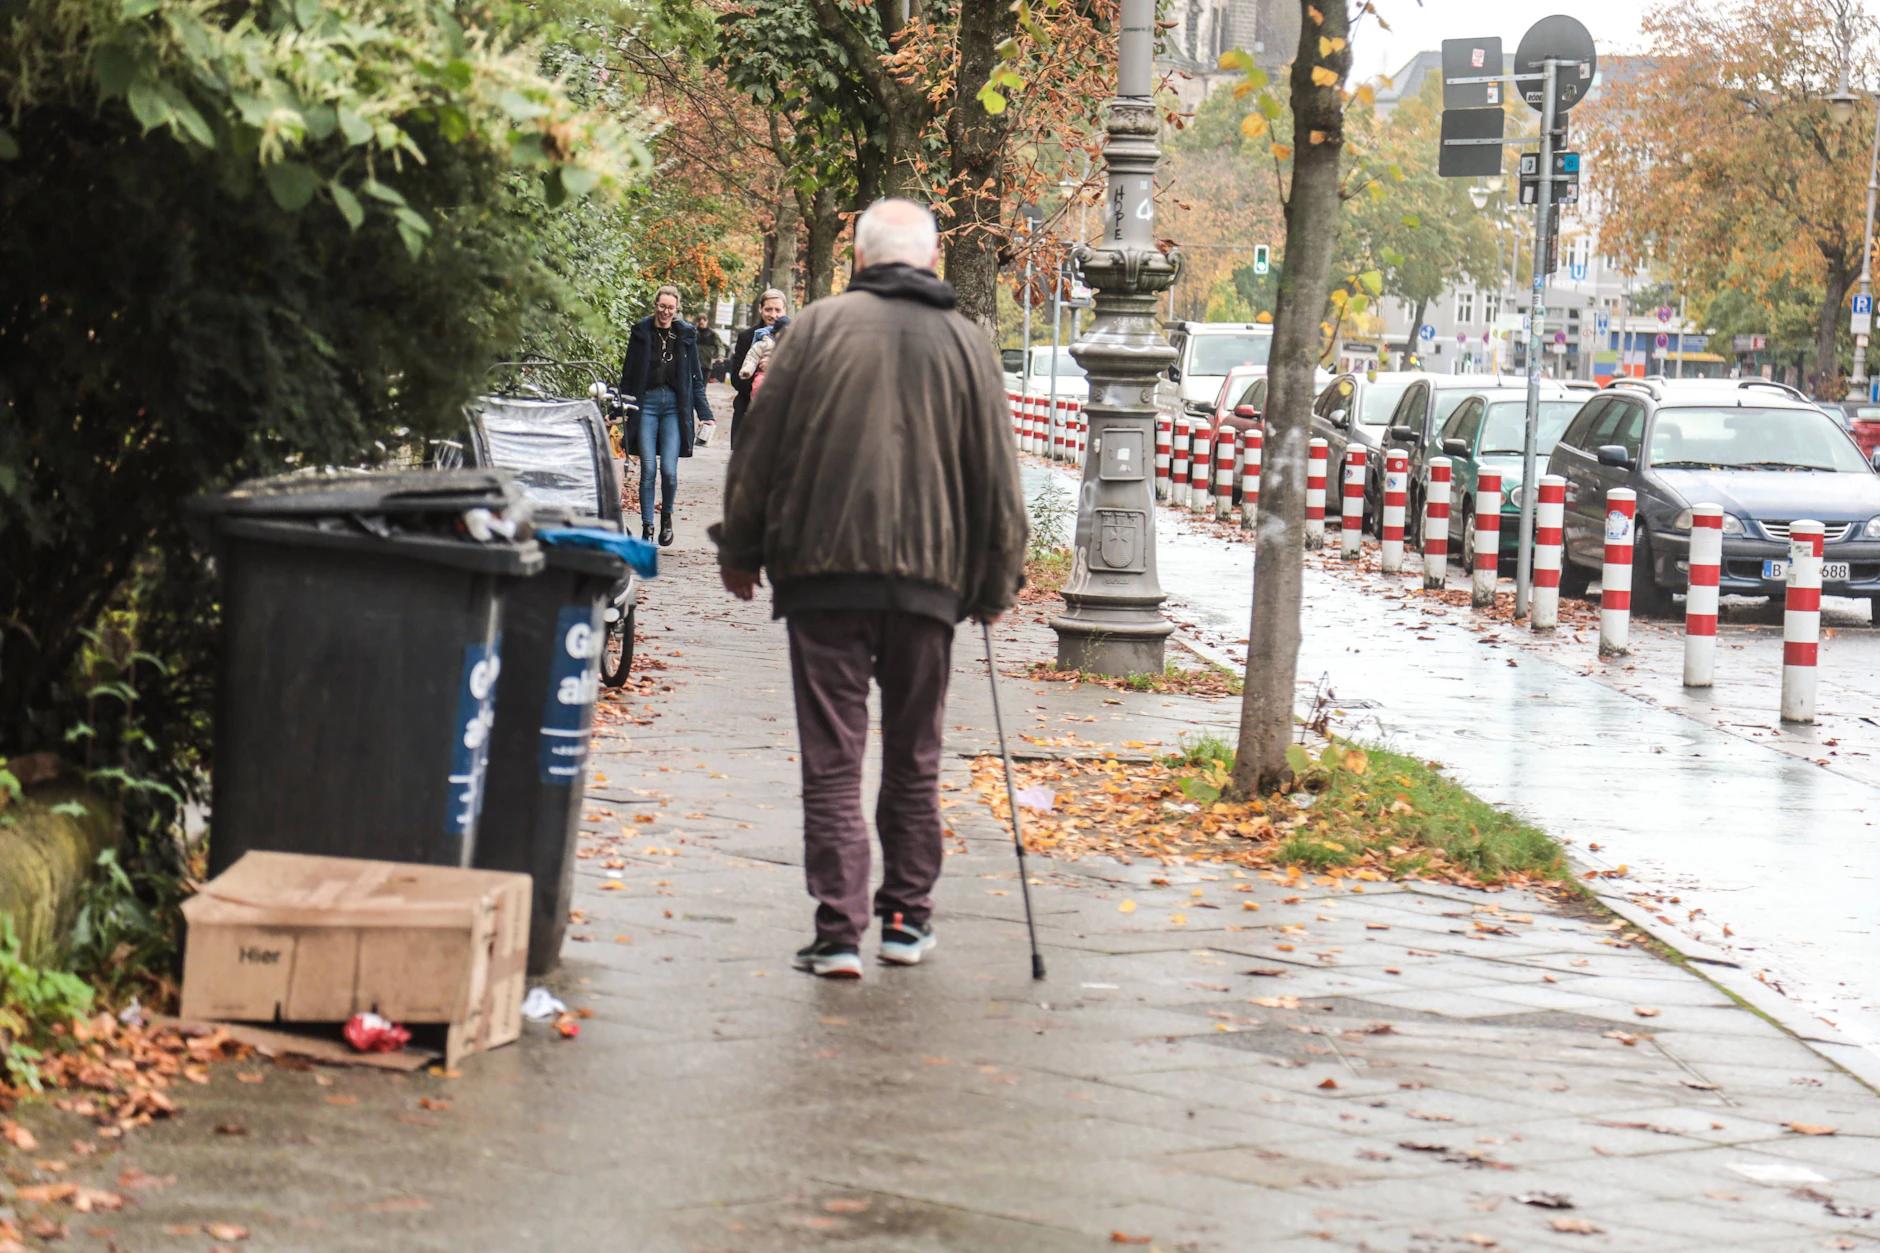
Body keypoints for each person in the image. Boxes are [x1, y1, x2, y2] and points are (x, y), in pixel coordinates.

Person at [710, 199, 1027, 980]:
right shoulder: (967, 343)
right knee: (916, 754)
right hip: (930, 580)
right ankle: (906, 919)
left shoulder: (813, 330)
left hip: (824, 574)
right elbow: (996, 474)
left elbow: (760, 448)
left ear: (858, 258)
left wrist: (741, 550)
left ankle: (839, 930)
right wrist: (995, 580)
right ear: (930, 260)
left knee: (832, 756)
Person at [619, 285, 713, 546]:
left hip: (674, 407)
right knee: (648, 468)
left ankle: (667, 518)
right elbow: (628, 375)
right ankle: (647, 526)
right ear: (655, 305)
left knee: (669, 471)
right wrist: (619, 409)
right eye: (662, 306)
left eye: (670, 308)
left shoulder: (685, 335)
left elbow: (695, 378)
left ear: (676, 309)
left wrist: (705, 413)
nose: (665, 312)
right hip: (646, 404)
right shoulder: (641, 332)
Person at [726, 288, 786, 449]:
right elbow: (737, 378)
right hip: (748, 411)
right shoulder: (747, 337)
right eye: (768, 309)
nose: (773, 315)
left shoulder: (794, 337)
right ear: (760, 309)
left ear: (784, 311)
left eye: (777, 310)